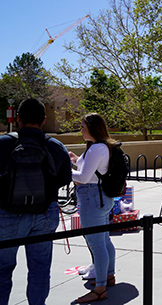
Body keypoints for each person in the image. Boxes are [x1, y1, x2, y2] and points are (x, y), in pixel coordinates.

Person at [0, 99, 71, 305]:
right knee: (40, 269)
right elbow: (65, 179)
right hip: (44, 215)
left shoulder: (3, 143)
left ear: (18, 118)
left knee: (2, 271)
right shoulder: (55, 146)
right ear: (44, 120)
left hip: (6, 214)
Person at [69, 113, 118, 302]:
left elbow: (82, 177)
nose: (80, 130)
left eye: (82, 126)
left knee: (97, 245)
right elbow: (87, 169)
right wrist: (74, 160)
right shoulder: (100, 146)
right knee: (104, 242)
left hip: (92, 198)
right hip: (99, 198)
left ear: (92, 128)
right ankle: (108, 276)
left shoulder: (97, 148)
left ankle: (100, 288)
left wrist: (65, 169)